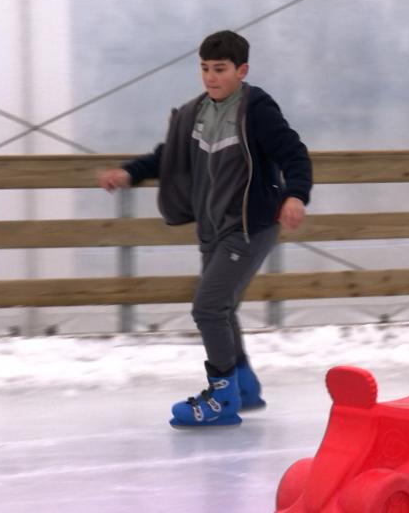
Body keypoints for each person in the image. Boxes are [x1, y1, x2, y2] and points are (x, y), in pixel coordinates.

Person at [97, 30, 312, 429]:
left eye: (220, 70)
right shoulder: (195, 112)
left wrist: (296, 195)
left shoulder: (256, 109)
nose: (211, 78)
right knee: (222, 307)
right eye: (205, 69)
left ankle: (221, 397)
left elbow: (293, 152)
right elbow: (168, 156)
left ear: (241, 70)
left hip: (250, 226)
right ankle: (244, 386)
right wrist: (128, 172)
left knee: (208, 307)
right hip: (214, 228)